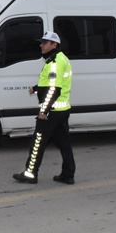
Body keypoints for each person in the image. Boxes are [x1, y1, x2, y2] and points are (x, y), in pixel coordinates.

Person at [13, 31, 76, 185]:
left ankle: (30, 173)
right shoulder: (60, 59)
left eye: (45, 42)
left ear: (54, 45)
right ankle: (68, 174)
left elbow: (54, 89)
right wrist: (35, 88)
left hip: (52, 112)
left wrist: (44, 111)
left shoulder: (54, 63)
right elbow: (51, 83)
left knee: (37, 142)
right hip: (61, 110)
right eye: (41, 42)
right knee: (64, 144)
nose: (41, 45)